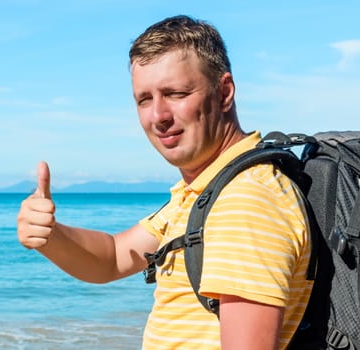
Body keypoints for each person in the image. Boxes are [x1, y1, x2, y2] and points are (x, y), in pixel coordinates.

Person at [17, 15, 313, 350]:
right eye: (144, 99)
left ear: (224, 93)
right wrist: (52, 236)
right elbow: (113, 257)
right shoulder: (207, 189)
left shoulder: (245, 201)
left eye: (176, 93)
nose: (158, 116)